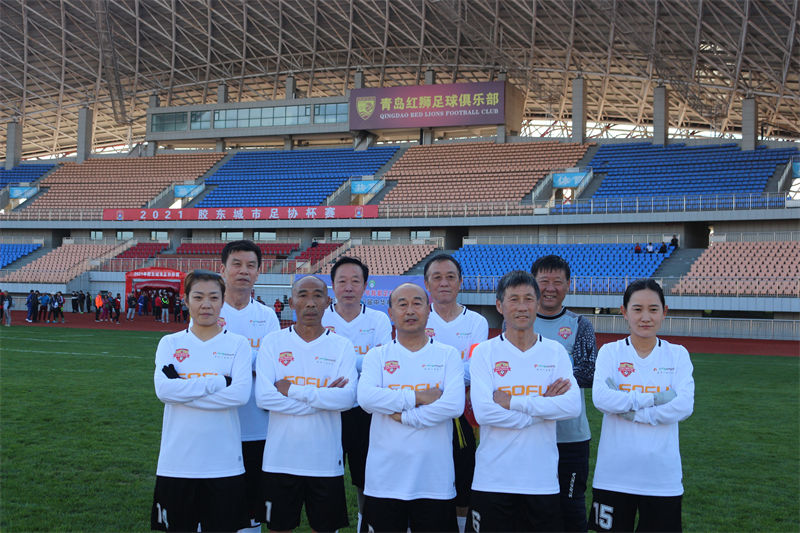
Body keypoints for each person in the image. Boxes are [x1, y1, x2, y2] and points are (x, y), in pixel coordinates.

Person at [467, 271, 581, 532]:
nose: (521, 307)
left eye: (528, 299)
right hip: (492, 480)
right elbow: (485, 414)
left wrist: (514, 402)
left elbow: (572, 406)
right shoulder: (484, 353)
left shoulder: (555, 352)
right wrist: (544, 406)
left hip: (541, 481)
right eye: (513, 299)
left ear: (538, 303)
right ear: (499, 305)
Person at [358, 283, 465, 533]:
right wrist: (418, 396)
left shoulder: (448, 355)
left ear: (429, 310)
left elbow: (453, 405)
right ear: (390, 312)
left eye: (417, 303)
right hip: (384, 480)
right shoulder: (377, 356)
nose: (409, 310)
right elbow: (366, 398)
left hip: (433, 480)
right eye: (402, 304)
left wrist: (406, 417)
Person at [151, 270, 252, 532]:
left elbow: (240, 395)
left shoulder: (238, 344)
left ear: (223, 300)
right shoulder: (170, 343)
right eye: (198, 296)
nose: (205, 304)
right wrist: (218, 382)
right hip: (177, 463)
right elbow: (164, 391)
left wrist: (183, 392)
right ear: (186, 300)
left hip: (224, 463)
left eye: (213, 297)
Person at [590, 279, 694, 532]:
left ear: (664, 312)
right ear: (624, 312)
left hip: (662, 479)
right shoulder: (610, 352)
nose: (645, 317)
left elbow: (683, 406)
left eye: (653, 309)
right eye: (637, 309)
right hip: (613, 476)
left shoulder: (677, 354)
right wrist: (655, 399)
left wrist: (631, 411)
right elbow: (601, 399)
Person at [255, 275, 357, 533]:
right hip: (280, 459)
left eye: (317, 296)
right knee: (279, 528)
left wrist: (293, 391)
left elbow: (346, 399)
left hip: (324, 461)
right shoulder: (273, 342)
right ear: (291, 302)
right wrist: (323, 398)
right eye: (303, 295)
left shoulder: (342, 346)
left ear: (328, 302)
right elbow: (265, 398)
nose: (310, 303)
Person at [322, 256, 393, 531]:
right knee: (329, 475)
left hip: (366, 412)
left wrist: (340, 364)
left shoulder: (378, 320)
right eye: (342, 281)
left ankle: (368, 525)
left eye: (355, 281)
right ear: (333, 286)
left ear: (365, 286)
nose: (348, 287)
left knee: (367, 476)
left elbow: (383, 365)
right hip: (330, 409)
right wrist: (362, 362)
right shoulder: (321, 316)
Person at [218, 240, 281, 533]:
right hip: (218, 421)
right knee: (219, 497)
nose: (243, 271)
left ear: (258, 272)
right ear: (223, 269)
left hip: (259, 425)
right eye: (237, 264)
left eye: (251, 266)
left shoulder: (267, 316)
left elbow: (272, 366)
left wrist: (230, 363)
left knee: (253, 503)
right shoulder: (210, 313)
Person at [532, 255, 598, 532]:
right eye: (543, 281)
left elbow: (588, 372)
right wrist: (557, 378)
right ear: (533, 284)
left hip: (571, 436)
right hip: (530, 433)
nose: (550, 288)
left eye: (557, 282)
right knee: (535, 508)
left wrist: (540, 379)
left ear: (568, 285)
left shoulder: (579, 324)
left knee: (571, 507)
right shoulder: (519, 323)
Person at [423, 253, 488, 533]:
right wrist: (455, 373)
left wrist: (437, 375)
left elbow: (476, 370)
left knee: (463, 482)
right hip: (425, 413)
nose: (444, 283)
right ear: (427, 283)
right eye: (436, 277)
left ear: (460, 282)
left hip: (463, 415)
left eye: (450, 276)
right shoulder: (417, 317)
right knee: (427, 480)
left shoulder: (476, 322)